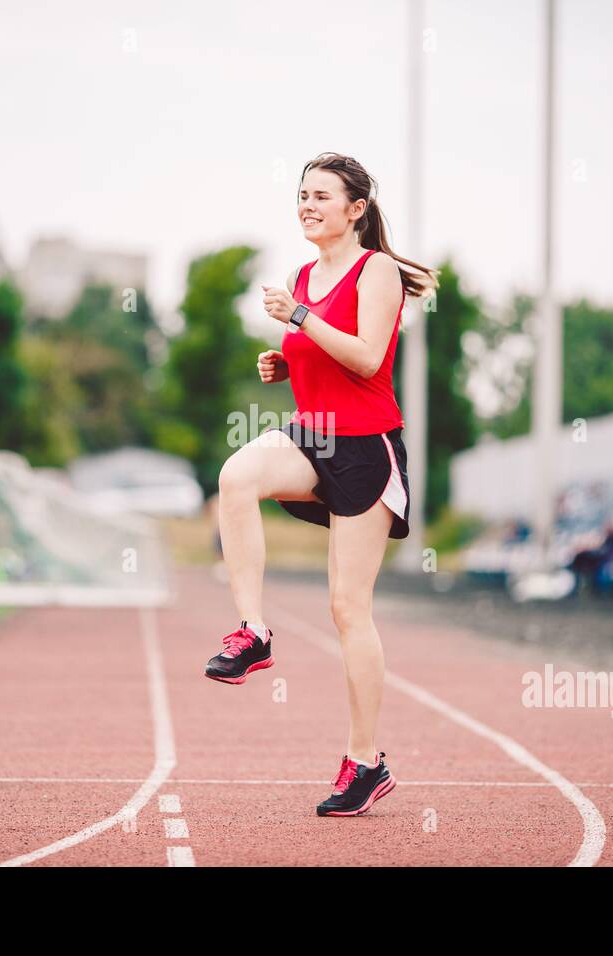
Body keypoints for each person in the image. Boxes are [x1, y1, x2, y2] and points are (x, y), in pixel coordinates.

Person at [204, 152, 437, 817]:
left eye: (321, 196)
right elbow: (327, 358)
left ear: (355, 208)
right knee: (237, 475)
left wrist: (301, 321)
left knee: (346, 609)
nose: (307, 205)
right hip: (317, 433)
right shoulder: (303, 273)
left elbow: (367, 356)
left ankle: (365, 762)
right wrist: (287, 361)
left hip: (367, 448)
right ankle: (253, 632)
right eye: (301, 195)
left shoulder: (378, 270)